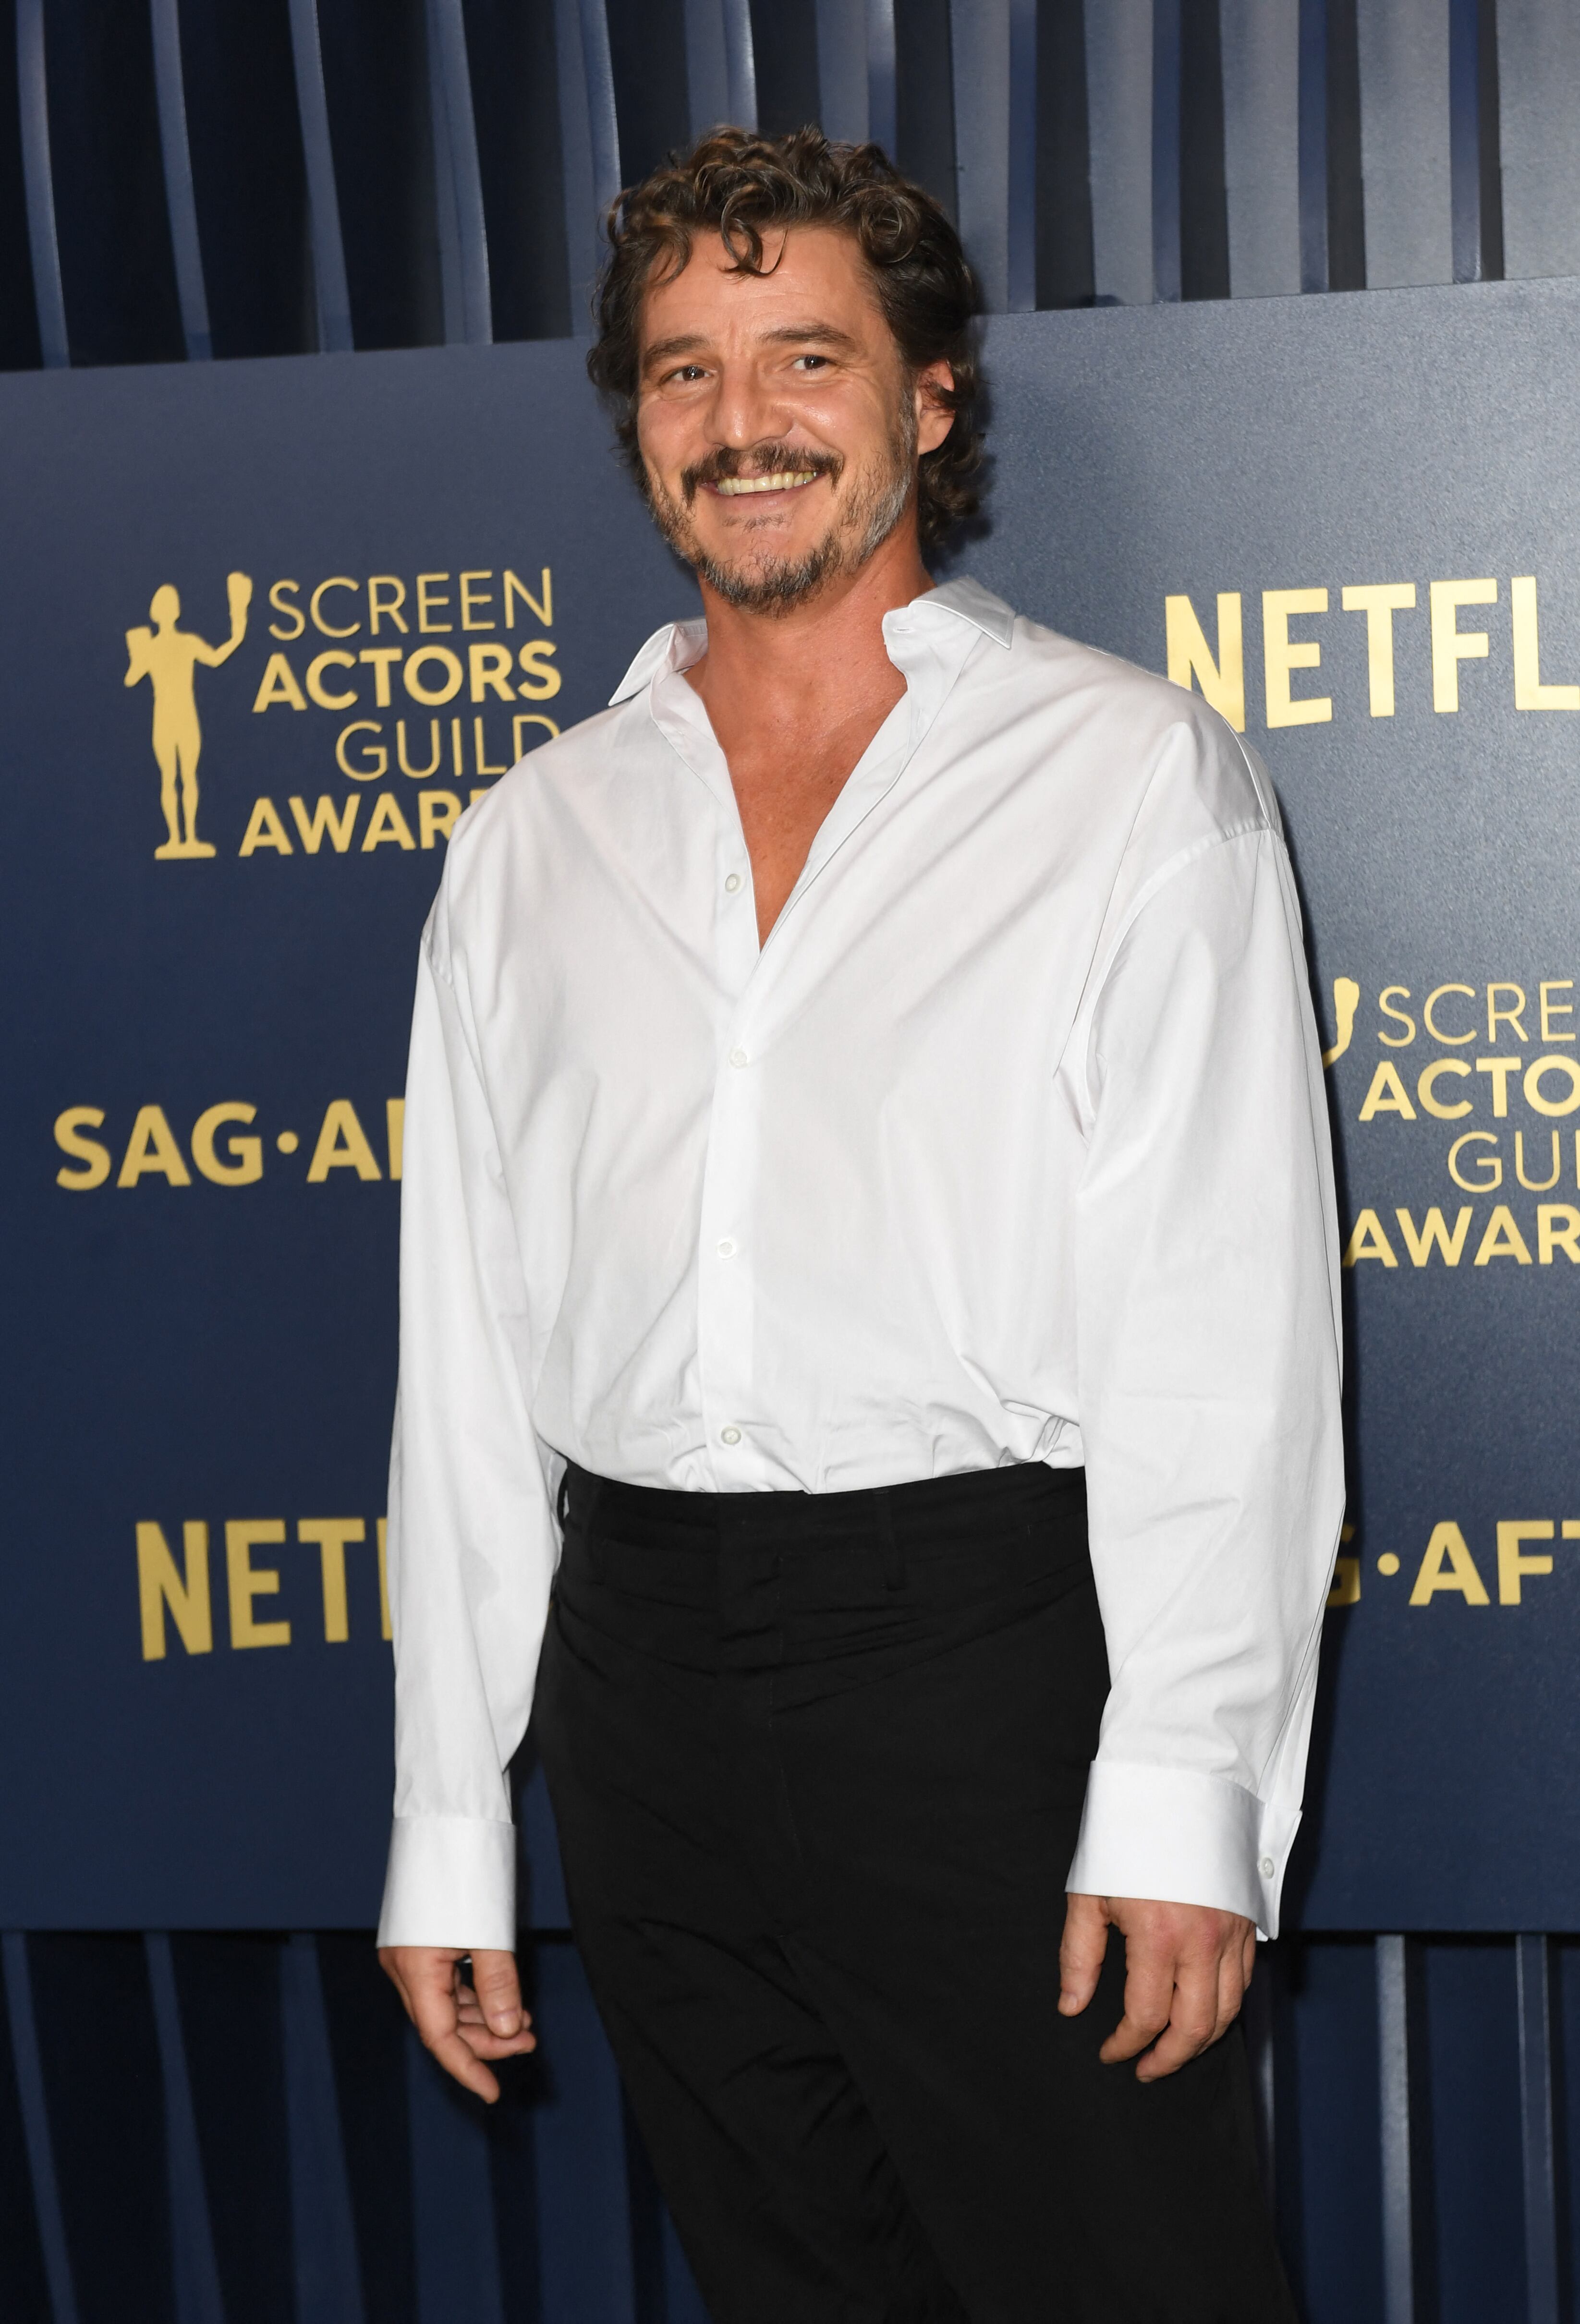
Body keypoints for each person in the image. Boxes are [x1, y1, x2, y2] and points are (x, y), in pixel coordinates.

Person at [378, 127, 1343, 2323]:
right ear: (638, 421)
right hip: (643, 1691)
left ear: (927, 401)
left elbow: (1227, 1325)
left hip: (986, 1667)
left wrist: (1185, 1780)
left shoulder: (1129, 781)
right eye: (686, 370)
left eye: (807, 357)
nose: (744, 424)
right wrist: (450, 1807)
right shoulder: (532, 840)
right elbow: (471, 1360)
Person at [124, 573, 251, 858]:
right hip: (167, 716)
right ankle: (175, 839)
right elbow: (132, 679)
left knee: (186, 776)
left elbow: (217, 658)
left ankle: (190, 838)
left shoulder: (187, 642)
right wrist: (137, 654)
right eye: (166, 606)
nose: (169, 610)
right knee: (171, 777)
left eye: (172, 605)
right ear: (158, 613)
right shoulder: (153, 647)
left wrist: (239, 633)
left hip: (184, 714)